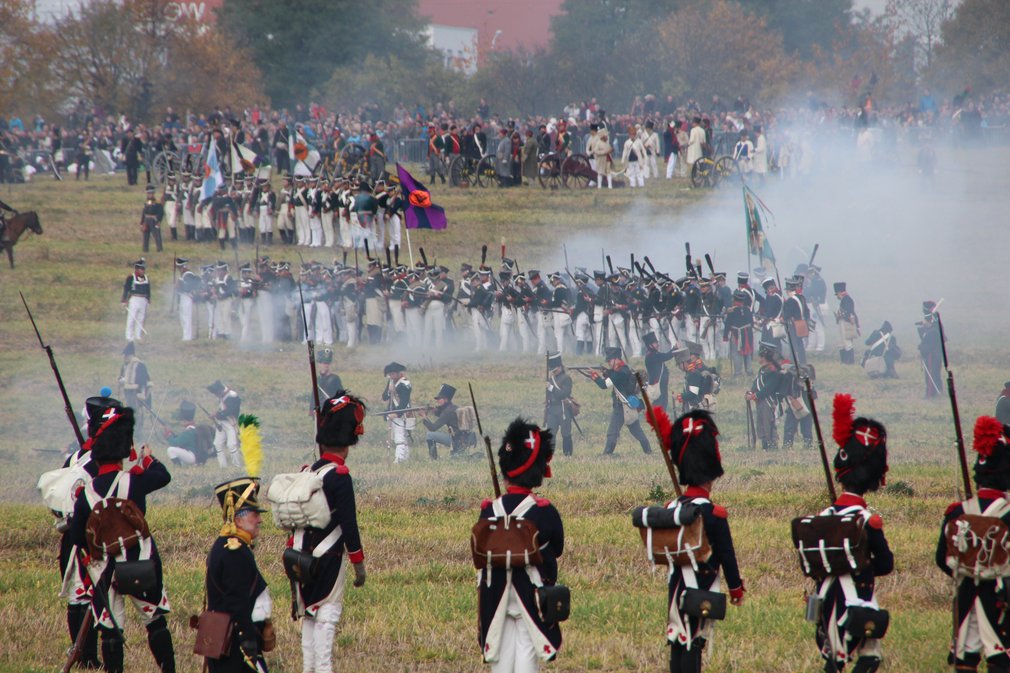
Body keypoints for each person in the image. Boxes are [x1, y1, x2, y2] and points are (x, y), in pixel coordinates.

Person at [70, 405, 175, 673]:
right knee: (154, 622)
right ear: (121, 451)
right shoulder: (134, 482)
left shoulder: (85, 494)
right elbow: (163, 476)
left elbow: (77, 536)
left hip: (104, 572)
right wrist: (148, 460)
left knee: (111, 631)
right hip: (139, 562)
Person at [643, 407, 745, 673]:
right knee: (693, 641)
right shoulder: (713, 513)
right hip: (702, 586)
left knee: (679, 638)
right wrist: (735, 588)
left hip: (676, 586)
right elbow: (726, 553)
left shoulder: (671, 507)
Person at [476, 418, 564, 673]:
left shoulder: (489, 510)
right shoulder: (544, 511)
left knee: (500, 656)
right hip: (531, 590)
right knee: (527, 651)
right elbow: (556, 548)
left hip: (494, 592)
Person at [815, 394, 893, 673]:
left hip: (824, 601)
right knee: (869, 657)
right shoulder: (868, 522)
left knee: (833, 660)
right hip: (858, 601)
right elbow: (885, 565)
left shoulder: (822, 518)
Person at [289, 392, 367, 673]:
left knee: (310, 618)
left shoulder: (307, 471)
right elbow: (349, 526)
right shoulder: (339, 476)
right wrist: (359, 564)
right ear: (348, 442)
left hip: (299, 558)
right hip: (328, 560)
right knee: (326, 620)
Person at [938, 417, 1010, 673]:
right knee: (1000, 658)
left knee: (965, 660)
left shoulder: (958, 511)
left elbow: (941, 558)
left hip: (965, 594)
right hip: (1001, 598)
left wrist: (967, 573)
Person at [206, 477, 272, 673]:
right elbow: (236, 601)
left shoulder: (228, 545)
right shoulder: (234, 552)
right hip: (235, 647)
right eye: (254, 514)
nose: (259, 519)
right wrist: (247, 640)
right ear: (237, 519)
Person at [590, 346, 652, 455]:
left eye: (610, 361)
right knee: (636, 431)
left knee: (612, 433)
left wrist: (595, 376)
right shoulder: (624, 369)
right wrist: (607, 372)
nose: (609, 363)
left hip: (621, 406)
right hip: (628, 406)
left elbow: (604, 385)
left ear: (616, 359)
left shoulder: (619, 373)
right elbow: (616, 379)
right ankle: (648, 451)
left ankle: (606, 455)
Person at [746, 342, 782, 451]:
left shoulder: (773, 371)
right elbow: (757, 383)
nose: (758, 358)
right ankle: (765, 445)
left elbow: (768, 389)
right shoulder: (763, 369)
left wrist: (754, 395)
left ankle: (772, 445)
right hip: (761, 401)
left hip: (768, 401)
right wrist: (751, 392)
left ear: (764, 357)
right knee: (761, 423)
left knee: (768, 424)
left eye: (760, 356)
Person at [544, 352, 576, 457]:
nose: (554, 370)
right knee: (550, 433)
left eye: (556, 368)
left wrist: (551, 388)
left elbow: (564, 394)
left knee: (566, 433)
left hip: (563, 409)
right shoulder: (550, 379)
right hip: (552, 409)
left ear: (560, 366)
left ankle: (568, 455)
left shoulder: (566, 378)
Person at [381, 362, 414, 463]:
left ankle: (400, 459)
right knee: (397, 436)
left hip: (403, 413)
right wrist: (389, 391)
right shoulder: (391, 382)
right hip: (393, 413)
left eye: (393, 374)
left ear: (399, 373)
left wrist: (396, 414)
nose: (391, 376)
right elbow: (384, 397)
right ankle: (403, 458)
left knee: (401, 437)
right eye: (390, 374)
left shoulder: (405, 384)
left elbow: (403, 403)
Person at [165, 401, 212, 466]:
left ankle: (178, 467)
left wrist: (169, 436)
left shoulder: (189, 432)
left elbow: (175, 443)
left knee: (170, 450)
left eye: (183, 421)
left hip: (191, 457)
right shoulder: (193, 430)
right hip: (194, 456)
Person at [208, 380, 242, 468]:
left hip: (230, 423)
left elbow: (230, 411)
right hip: (222, 423)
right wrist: (216, 415)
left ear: (220, 390)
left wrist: (217, 414)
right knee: (217, 444)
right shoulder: (224, 396)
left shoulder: (232, 396)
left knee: (232, 445)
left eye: (216, 393)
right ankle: (223, 467)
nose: (215, 395)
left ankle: (237, 466)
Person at [118, 341, 151, 432]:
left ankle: (137, 432)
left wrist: (141, 394)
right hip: (126, 393)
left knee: (136, 413)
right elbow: (121, 377)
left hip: (136, 394)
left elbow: (143, 381)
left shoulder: (139, 365)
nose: (124, 357)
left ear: (129, 355)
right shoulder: (125, 366)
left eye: (125, 355)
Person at [422, 383, 460, 459]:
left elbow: (433, 428)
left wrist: (424, 416)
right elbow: (442, 415)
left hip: (456, 441)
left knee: (430, 435)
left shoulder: (447, 412)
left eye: (440, 399)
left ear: (446, 399)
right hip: (462, 439)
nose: (438, 401)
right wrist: (433, 410)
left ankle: (433, 459)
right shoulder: (453, 408)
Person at [723, 289, 754, 378]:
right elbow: (751, 323)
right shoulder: (747, 310)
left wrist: (725, 335)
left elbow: (728, 324)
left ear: (735, 299)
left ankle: (738, 372)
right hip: (747, 334)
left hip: (736, 334)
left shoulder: (732, 311)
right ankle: (749, 370)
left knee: (736, 354)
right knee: (747, 353)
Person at [917, 301, 943, 399]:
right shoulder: (934, 321)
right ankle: (937, 390)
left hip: (932, 353)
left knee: (931, 373)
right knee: (935, 372)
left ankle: (930, 393)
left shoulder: (933, 324)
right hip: (934, 351)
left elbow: (930, 340)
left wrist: (922, 347)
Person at [643, 332, 675, 410]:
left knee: (662, 406)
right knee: (659, 407)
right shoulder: (651, 356)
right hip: (657, 387)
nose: (657, 344)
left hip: (661, 386)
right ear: (650, 345)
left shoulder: (654, 354)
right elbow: (666, 356)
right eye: (655, 343)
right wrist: (675, 349)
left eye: (657, 342)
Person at [122, 258, 150, 342]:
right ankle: (129, 335)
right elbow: (126, 289)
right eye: (141, 269)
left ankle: (138, 335)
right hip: (134, 299)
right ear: (137, 269)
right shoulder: (131, 277)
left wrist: (148, 299)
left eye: (143, 269)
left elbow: (148, 290)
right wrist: (124, 300)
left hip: (143, 300)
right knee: (131, 318)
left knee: (141, 318)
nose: (143, 271)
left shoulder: (146, 278)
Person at [834, 282, 859, 365]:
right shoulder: (845, 299)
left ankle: (850, 361)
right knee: (842, 342)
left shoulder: (847, 299)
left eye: (837, 294)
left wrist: (840, 315)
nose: (837, 296)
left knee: (847, 342)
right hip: (842, 323)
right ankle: (844, 361)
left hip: (846, 323)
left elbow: (849, 312)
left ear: (839, 293)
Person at [140, 184, 164, 253]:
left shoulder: (158, 203)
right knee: (145, 236)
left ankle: (159, 249)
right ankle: (145, 249)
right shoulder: (146, 202)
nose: (150, 195)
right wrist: (142, 223)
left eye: (151, 193)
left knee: (157, 235)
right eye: (148, 193)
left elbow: (161, 213)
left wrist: (158, 221)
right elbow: (144, 213)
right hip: (146, 220)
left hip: (154, 220)